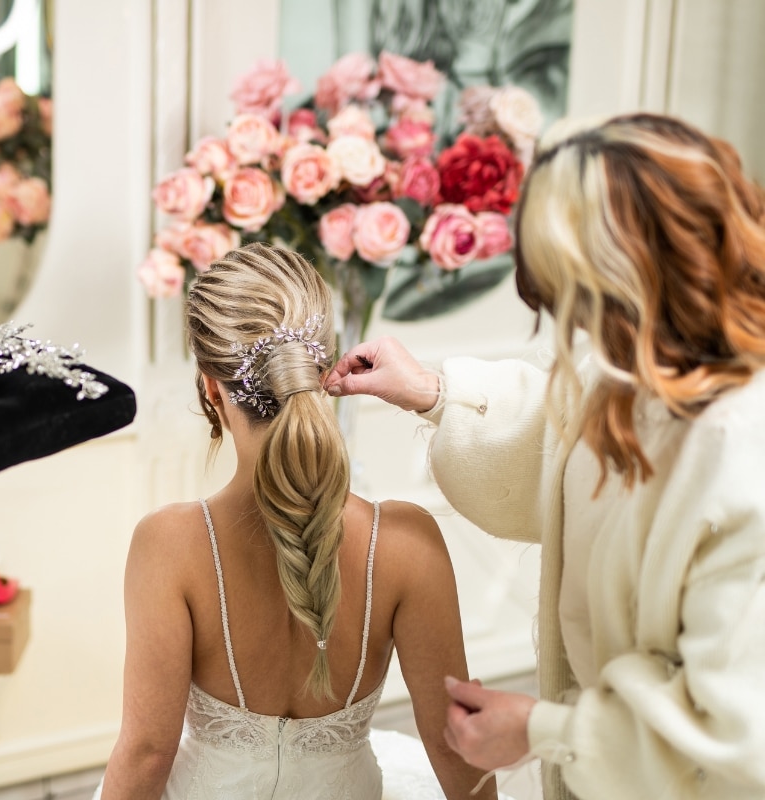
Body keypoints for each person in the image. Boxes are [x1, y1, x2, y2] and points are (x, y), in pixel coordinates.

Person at [324, 113, 765, 800]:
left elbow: (734, 729)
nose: (576, 334)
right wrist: (434, 392)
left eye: (581, 309)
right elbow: (562, 443)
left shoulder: (743, 457)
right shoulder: (635, 368)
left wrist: (542, 730)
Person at [98, 243, 496, 799]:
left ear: (211, 387)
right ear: (324, 372)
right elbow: (457, 744)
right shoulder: (407, 542)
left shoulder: (168, 546)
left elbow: (146, 755)